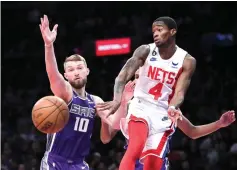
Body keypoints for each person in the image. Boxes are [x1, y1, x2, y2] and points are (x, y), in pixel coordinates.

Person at [96, 16, 197, 170]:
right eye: (153, 30)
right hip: (141, 105)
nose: (155, 33)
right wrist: (117, 100)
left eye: (160, 30)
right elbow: (122, 77)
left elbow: (180, 93)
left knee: (152, 164)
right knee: (134, 148)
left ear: (172, 31)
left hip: (162, 111)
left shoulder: (187, 60)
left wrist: (173, 107)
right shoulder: (145, 50)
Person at [97, 70, 236, 170]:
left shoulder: (168, 105)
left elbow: (192, 131)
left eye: (142, 77)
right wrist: (107, 116)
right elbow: (106, 138)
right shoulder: (128, 102)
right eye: (136, 76)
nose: (138, 80)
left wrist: (219, 124)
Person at [39, 15, 112, 170]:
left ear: (87, 71)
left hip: (79, 165)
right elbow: (53, 73)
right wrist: (48, 45)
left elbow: (107, 137)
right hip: (55, 162)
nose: (76, 72)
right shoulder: (65, 93)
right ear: (66, 76)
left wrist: (123, 103)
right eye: (71, 70)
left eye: (79, 68)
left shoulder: (96, 101)